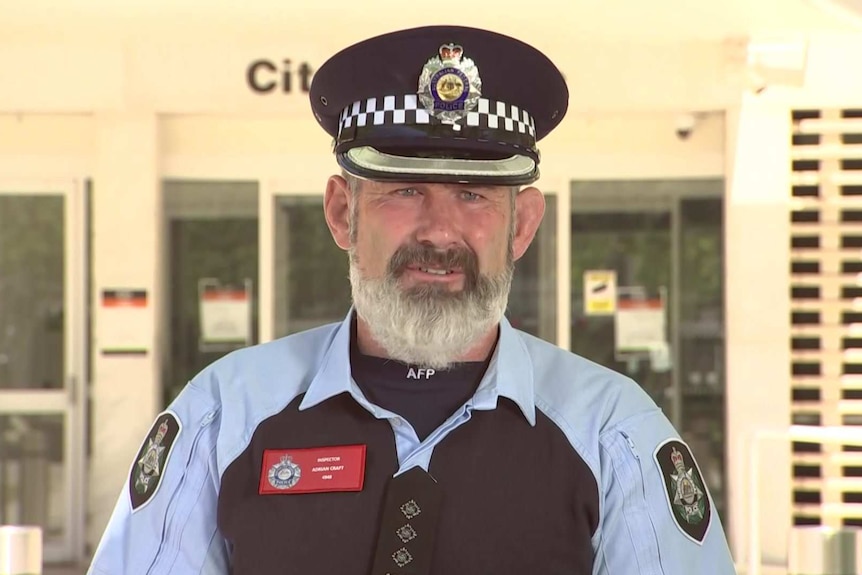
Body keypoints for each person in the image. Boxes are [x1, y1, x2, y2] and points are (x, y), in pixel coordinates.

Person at [87, 25, 738, 575]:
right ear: (343, 213)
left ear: (523, 223)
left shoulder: (612, 433)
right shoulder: (221, 416)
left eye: (473, 194)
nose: (439, 229)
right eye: (403, 191)